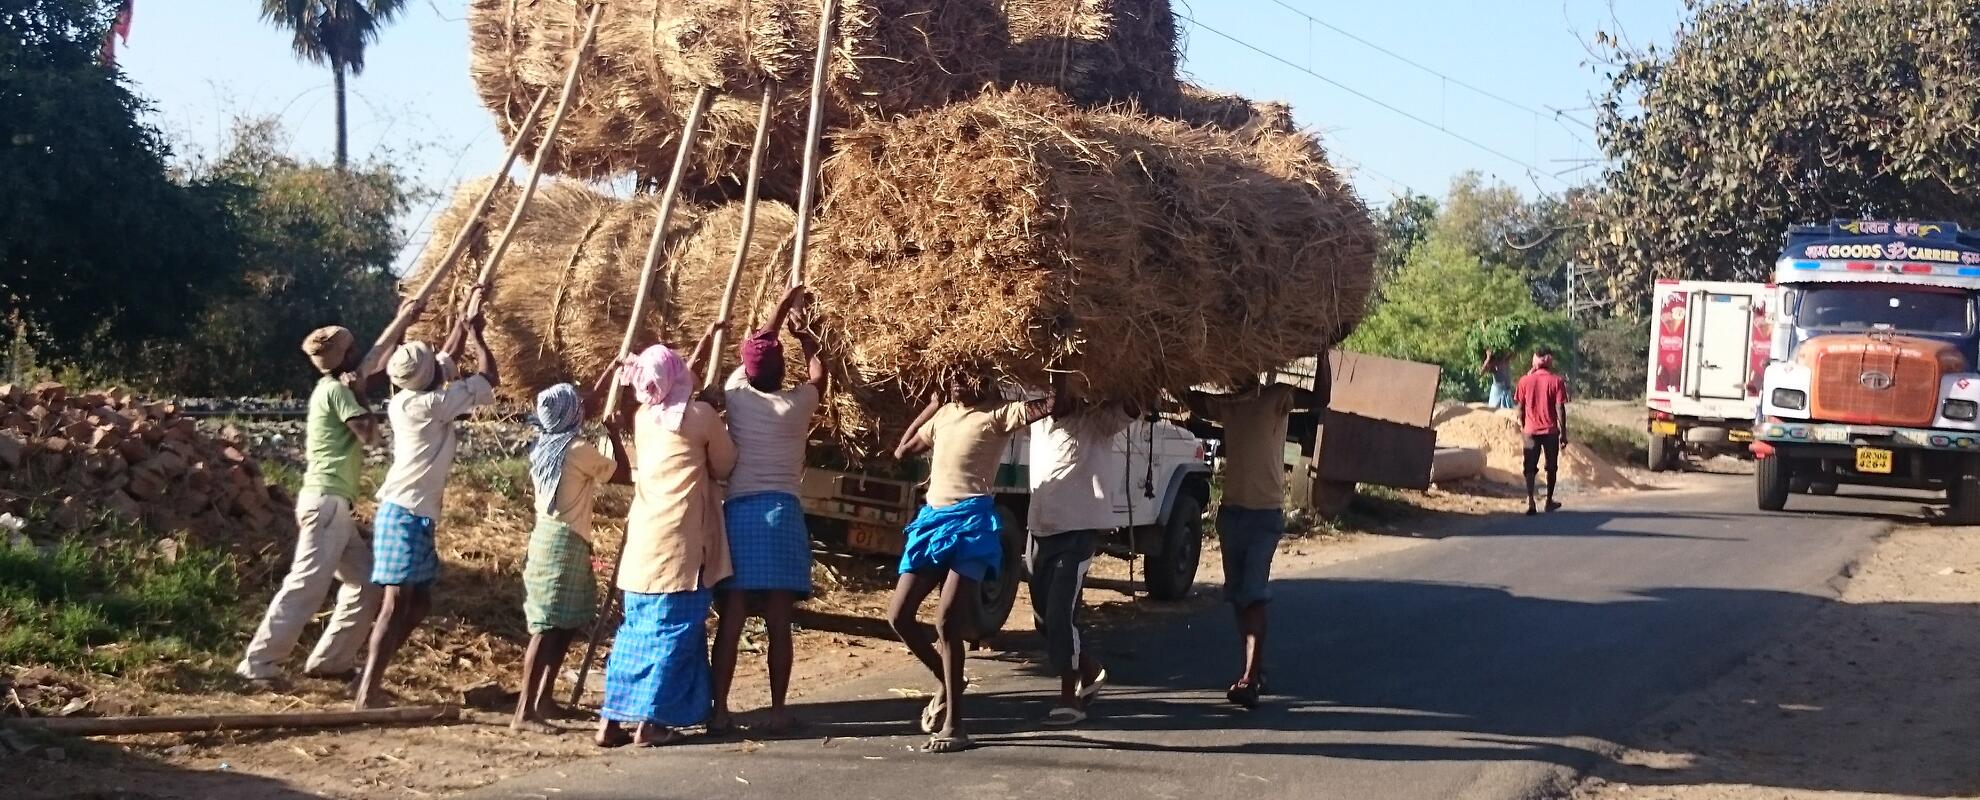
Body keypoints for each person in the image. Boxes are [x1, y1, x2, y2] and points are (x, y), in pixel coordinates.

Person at [234, 306, 421, 688]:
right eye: (355, 350)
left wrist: (405, 317)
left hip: (333, 505)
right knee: (306, 584)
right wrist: (360, 393)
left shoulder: (331, 385)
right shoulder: (339, 391)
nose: (360, 354)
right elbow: (369, 435)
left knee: (367, 583)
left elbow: (379, 352)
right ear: (346, 356)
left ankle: (331, 661)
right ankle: (259, 663)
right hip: (327, 503)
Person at [891, 370, 1051, 753]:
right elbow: (902, 451)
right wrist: (930, 405)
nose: (957, 382)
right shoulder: (944, 414)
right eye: (952, 376)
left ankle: (956, 725)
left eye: (966, 376)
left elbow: (1050, 407)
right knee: (898, 616)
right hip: (932, 521)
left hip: (972, 524)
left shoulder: (998, 414)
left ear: (985, 381)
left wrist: (1060, 377)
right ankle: (949, 681)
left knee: (946, 621)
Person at [354, 302, 499, 709]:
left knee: (419, 603)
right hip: (404, 513)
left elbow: (444, 360)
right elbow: (489, 378)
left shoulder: (408, 396)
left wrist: (462, 322)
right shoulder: (428, 405)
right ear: (430, 380)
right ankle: (367, 690)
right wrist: (479, 336)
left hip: (412, 513)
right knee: (396, 601)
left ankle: (370, 677)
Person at [596, 328, 736, 748]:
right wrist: (714, 410)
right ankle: (652, 723)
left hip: (643, 543)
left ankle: (612, 719)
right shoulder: (700, 418)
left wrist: (703, 346)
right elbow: (726, 464)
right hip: (682, 542)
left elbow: (675, 381)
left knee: (636, 631)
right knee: (674, 631)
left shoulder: (644, 416)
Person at [709, 287, 825, 736]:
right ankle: (777, 711)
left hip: (740, 515)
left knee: (732, 619)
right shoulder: (797, 405)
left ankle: (720, 711)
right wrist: (807, 334)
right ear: (783, 374)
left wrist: (780, 307)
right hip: (781, 516)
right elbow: (819, 374)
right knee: (779, 621)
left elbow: (759, 343)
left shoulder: (736, 395)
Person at [511, 377, 632, 734]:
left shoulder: (547, 445)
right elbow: (622, 475)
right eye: (576, 405)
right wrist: (613, 433)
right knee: (548, 626)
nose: (582, 408)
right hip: (563, 542)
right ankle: (524, 712)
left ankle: (544, 700)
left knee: (564, 622)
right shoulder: (576, 450)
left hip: (556, 539)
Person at [1024, 372, 1126, 727]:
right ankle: (1090, 667)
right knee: (1042, 620)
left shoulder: (1096, 421)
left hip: (1077, 533)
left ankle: (1070, 694)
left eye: (1063, 387)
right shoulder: (1037, 419)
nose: (1056, 395)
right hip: (1038, 530)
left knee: (1059, 614)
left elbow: (1131, 407)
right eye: (1051, 388)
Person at [1190, 375, 1297, 709]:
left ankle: (1249, 679)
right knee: (1238, 597)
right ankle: (1253, 668)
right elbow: (1196, 405)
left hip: (1265, 514)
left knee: (1252, 596)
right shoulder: (1229, 405)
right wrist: (1172, 374)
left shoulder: (1278, 397)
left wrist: (1323, 354)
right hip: (1231, 512)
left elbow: (1321, 396)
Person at [1515, 348, 1570, 516]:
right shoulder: (1557, 381)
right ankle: (1548, 501)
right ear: (1549, 362)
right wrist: (1563, 432)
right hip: (1551, 431)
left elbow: (1520, 408)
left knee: (1529, 467)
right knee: (1551, 466)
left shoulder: (1524, 381)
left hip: (1530, 431)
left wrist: (1524, 426)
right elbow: (1560, 407)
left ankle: (1530, 499)